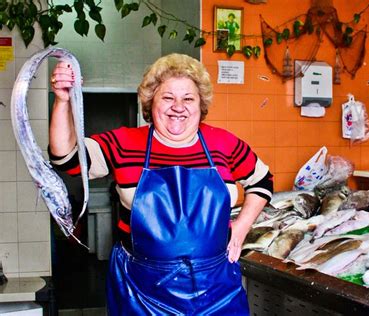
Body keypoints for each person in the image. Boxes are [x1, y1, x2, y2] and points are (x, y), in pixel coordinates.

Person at [49, 53, 273, 315]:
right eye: (168, 97)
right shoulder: (124, 143)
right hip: (142, 291)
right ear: (150, 102)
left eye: (188, 98)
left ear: (200, 105)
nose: (178, 107)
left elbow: (262, 181)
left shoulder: (224, 143)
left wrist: (242, 227)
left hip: (217, 287)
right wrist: (63, 100)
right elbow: (66, 158)